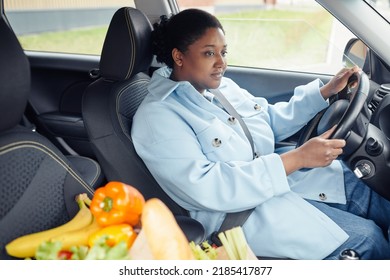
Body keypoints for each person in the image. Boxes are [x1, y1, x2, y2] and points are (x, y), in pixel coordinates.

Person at [131, 8, 390, 259]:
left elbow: (267, 122)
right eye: (209, 53)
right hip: (239, 214)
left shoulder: (219, 87)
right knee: (368, 241)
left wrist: (325, 93)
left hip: (277, 183)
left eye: (223, 51)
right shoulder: (158, 116)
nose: (221, 63)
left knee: (367, 191)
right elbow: (208, 187)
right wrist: (296, 159)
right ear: (179, 57)